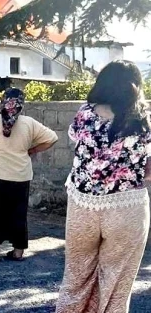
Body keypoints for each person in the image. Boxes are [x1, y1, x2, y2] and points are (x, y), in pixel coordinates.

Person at [57, 61, 151, 313]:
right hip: (127, 205)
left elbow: (76, 142)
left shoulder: (84, 113)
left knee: (76, 277)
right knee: (117, 284)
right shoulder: (143, 119)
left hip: (83, 204)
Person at [0, 87, 58, 263]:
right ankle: (18, 251)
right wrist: (33, 149)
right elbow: (52, 138)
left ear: (3, 102)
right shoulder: (30, 123)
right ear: (22, 104)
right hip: (20, 176)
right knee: (17, 214)